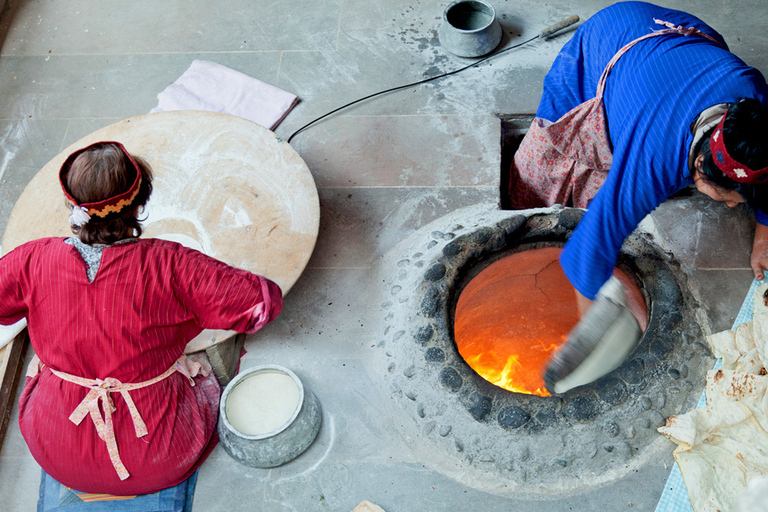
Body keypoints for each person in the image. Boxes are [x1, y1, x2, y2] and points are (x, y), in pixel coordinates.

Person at [0, 141, 283, 495]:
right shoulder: (171, 264)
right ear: (140, 203)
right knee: (200, 371)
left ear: (73, 206)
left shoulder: (32, 260)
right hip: (158, 456)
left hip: (55, 448)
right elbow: (261, 304)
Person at [505, 2, 768, 314]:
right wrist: (599, 321)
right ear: (700, 163)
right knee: (540, 174)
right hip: (607, 41)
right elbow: (590, 244)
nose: (728, 205)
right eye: (726, 197)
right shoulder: (654, 161)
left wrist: (763, 237)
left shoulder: (755, 107)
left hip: (680, 47)